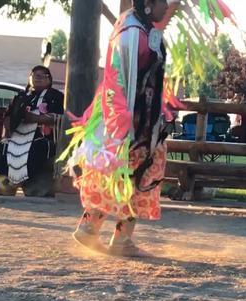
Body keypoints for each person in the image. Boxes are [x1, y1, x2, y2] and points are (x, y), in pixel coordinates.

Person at [59, 0, 170, 256]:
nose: (166, 6)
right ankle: (112, 237)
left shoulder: (141, 27)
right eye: (163, 1)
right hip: (129, 118)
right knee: (126, 173)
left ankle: (96, 230)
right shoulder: (130, 32)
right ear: (149, 4)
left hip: (142, 117)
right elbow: (118, 79)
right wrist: (122, 120)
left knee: (132, 172)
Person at [0, 65, 64, 195]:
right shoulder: (21, 96)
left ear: (49, 80)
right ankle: (5, 185)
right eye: (34, 75)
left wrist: (37, 118)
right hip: (17, 136)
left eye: (42, 76)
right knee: (0, 148)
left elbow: (61, 118)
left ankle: (19, 185)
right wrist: (8, 126)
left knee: (36, 149)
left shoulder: (56, 96)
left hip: (42, 137)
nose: (38, 78)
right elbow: (8, 115)